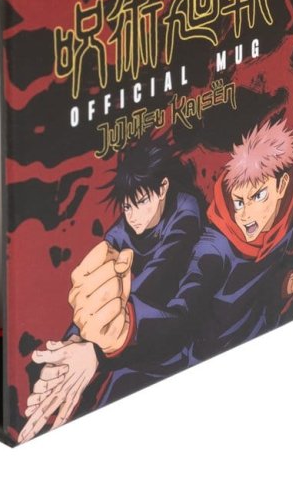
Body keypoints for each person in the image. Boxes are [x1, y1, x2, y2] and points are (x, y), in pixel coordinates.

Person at [21, 120, 293, 442]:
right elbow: (129, 290)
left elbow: (172, 280)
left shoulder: (198, 215)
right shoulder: (209, 248)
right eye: (239, 202)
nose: (246, 215)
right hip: (172, 348)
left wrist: (287, 284)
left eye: (258, 197)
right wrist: (77, 340)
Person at [18, 137, 203, 442]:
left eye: (141, 202)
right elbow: (95, 292)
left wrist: (93, 347)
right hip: (133, 333)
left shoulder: (186, 211)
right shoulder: (120, 232)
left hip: (181, 335)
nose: (133, 215)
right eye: (127, 206)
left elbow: (155, 282)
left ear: (162, 189)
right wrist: (71, 344)